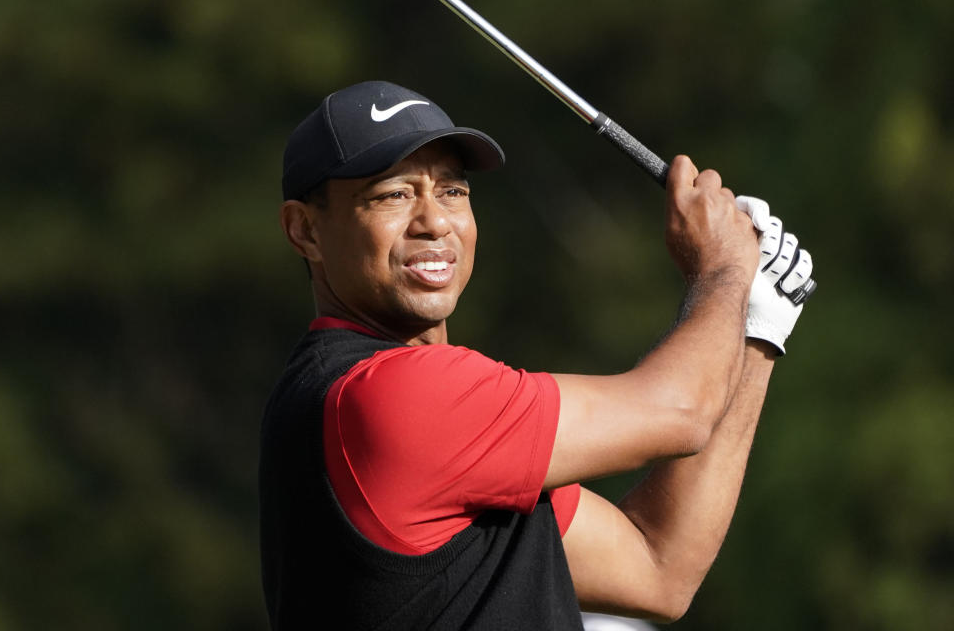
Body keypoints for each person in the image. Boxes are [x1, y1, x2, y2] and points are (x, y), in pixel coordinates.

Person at [258, 80, 813, 630]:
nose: (434, 222)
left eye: (452, 191)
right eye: (393, 195)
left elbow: (657, 569)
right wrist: (724, 269)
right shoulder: (387, 395)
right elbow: (682, 412)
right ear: (304, 229)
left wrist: (756, 333)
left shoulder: (440, 434)